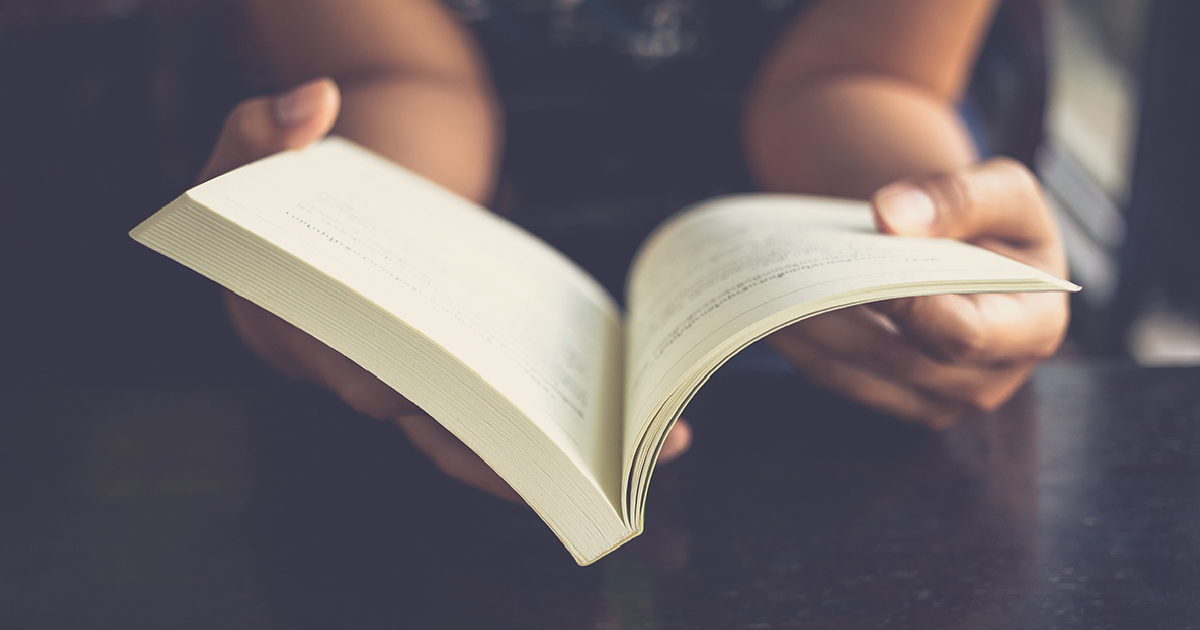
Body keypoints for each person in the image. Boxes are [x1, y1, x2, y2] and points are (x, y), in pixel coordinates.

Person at [199, 0, 1068, 501]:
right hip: (459, 331)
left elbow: (866, 75)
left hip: (809, 354)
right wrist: (351, 252)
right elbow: (398, 74)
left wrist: (938, 248)